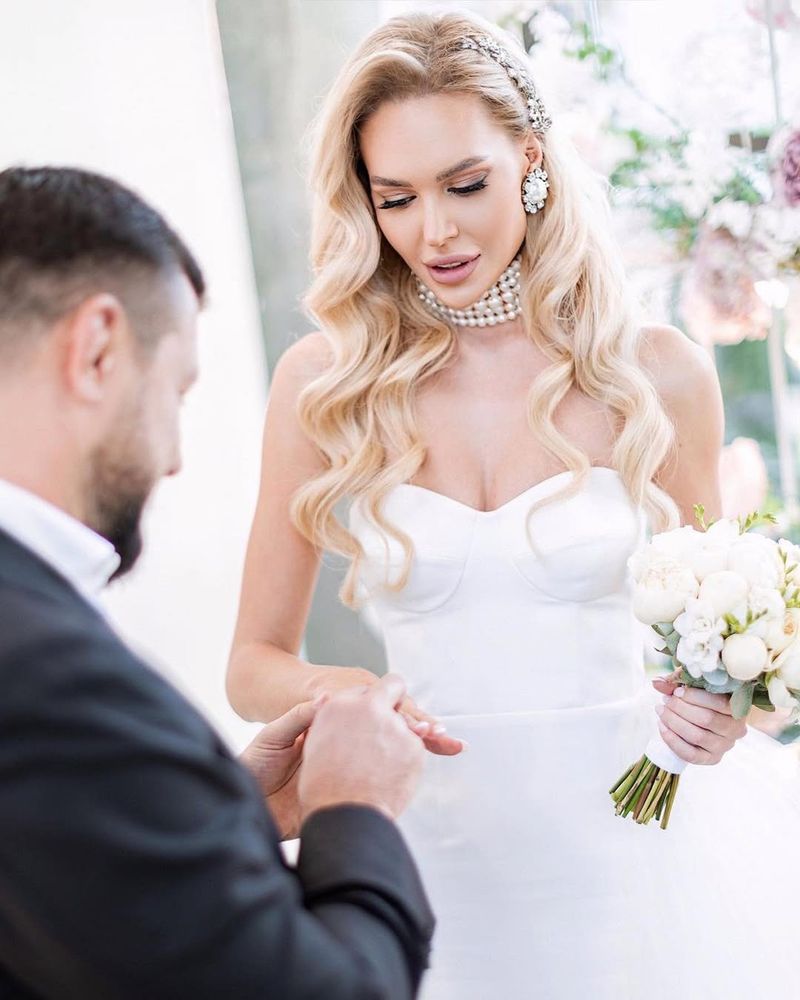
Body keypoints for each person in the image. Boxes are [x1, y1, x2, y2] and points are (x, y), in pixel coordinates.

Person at [226, 10, 800, 999]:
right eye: (395, 197)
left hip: (641, 842)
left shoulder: (653, 372)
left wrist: (719, 705)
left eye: (465, 184)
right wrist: (352, 700)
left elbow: (737, 630)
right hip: (427, 848)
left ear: (530, 159)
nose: (433, 231)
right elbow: (251, 664)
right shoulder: (323, 383)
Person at [0, 165, 435, 999]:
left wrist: (234, 813)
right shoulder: (56, 681)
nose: (173, 458)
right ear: (95, 350)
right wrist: (356, 810)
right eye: (177, 391)